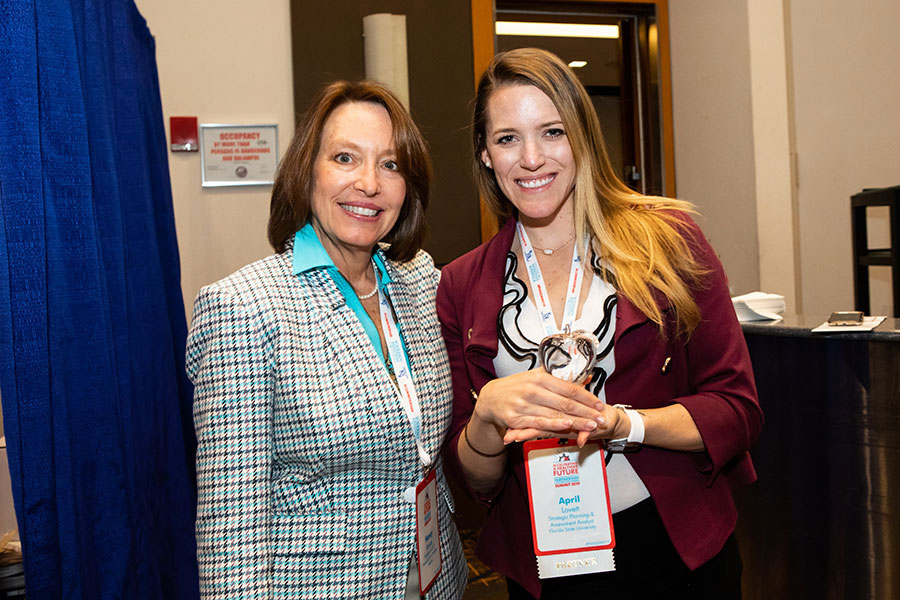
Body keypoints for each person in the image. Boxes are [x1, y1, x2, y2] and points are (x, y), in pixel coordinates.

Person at [437, 48, 763, 599]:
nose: (532, 158)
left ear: (582, 137)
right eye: (508, 138)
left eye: (552, 132)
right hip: (544, 562)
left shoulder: (669, 241)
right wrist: (486, 421)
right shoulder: (462, 284)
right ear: (486, 156)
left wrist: (622, 425)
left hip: (675, 548)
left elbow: (737, 409)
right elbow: (476, 480)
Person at [186, 80, 467, 599]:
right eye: (344, 158)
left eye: (390, 164)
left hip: (437, 577)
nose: (369, 183)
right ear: (306, 171)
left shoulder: (421, 279)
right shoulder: (244, 307)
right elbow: (230, 525)